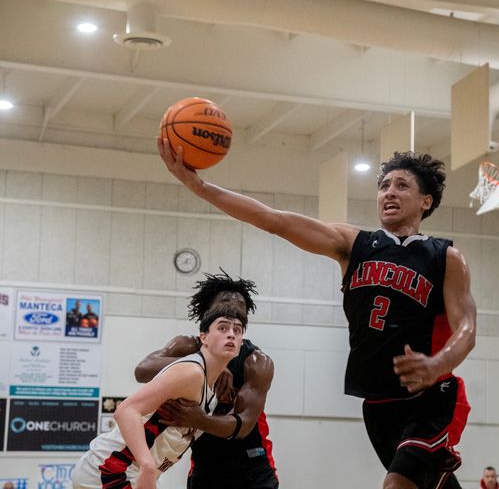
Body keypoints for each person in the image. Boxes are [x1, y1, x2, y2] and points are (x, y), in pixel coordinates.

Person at [158, 143, 477, 489]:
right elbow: (273, 220)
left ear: (425, 201)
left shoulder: (445, 257)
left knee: (398, 483)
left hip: (430, 397)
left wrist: (437, 364)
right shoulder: (354, 244)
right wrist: (200, 187)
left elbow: (467, 329)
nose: (389, 192)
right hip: (378, 403)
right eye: (384, 185)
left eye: (402, 185)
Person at [72, 275, 249, 489]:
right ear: (204, 337)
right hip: (110, 468)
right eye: (222, 328)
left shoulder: (211, 390)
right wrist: (147, 466)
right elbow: (126, 410)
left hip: (135, 471)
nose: (230, 335)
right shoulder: (192, 372)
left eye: (237, 330)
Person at [134, 272, 279, 489]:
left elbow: (244, 427)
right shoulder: (187, 346)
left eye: (241, 306)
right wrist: (204, 365)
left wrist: (198, 420)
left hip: (251, 466)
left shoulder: (256, 362)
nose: (234, 307)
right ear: (207, 313)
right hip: (205, 465)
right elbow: (142, 371)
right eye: (226, 302)